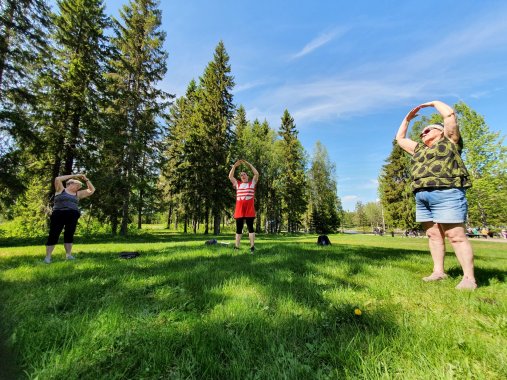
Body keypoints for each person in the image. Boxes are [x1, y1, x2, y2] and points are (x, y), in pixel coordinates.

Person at [396, 100, 476, 290]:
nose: (423, 133)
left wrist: (433, 103)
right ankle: (438, 272)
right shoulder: (419, 149)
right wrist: (407, 120)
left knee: (455, 235)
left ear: (441, 131)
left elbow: (449, 116)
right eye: (422, 132)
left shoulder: (450, 142)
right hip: (422, 196)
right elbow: (400, 139)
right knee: (433, 235)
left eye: (428, 130)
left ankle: (468, 278)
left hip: (447, 191)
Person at [44, 174, 95, 263]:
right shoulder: (60, 189)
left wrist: (86, 180)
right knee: (54, 234)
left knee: (69, 234)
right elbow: (57, 178)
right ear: (70, 184)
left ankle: (68, 255)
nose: (79, 187)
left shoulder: (77, 193)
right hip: (59, 214)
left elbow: (92, 190)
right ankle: (48, 257)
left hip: (72, 215)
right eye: (78, 185)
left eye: (80, 186)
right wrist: (76, 175)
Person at [229, 159, 259, 253]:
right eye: (241, 175)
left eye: (244, 174)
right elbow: (230, 176)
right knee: (238, 229)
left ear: (247, 176)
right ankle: (237, 247)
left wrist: (249, 164)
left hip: (249, 210)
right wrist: (234, 166)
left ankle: (252, 247)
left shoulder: (252, 183)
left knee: (250, 228)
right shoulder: (237, 184)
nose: (242, 176)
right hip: (239, 211)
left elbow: (256, 174)